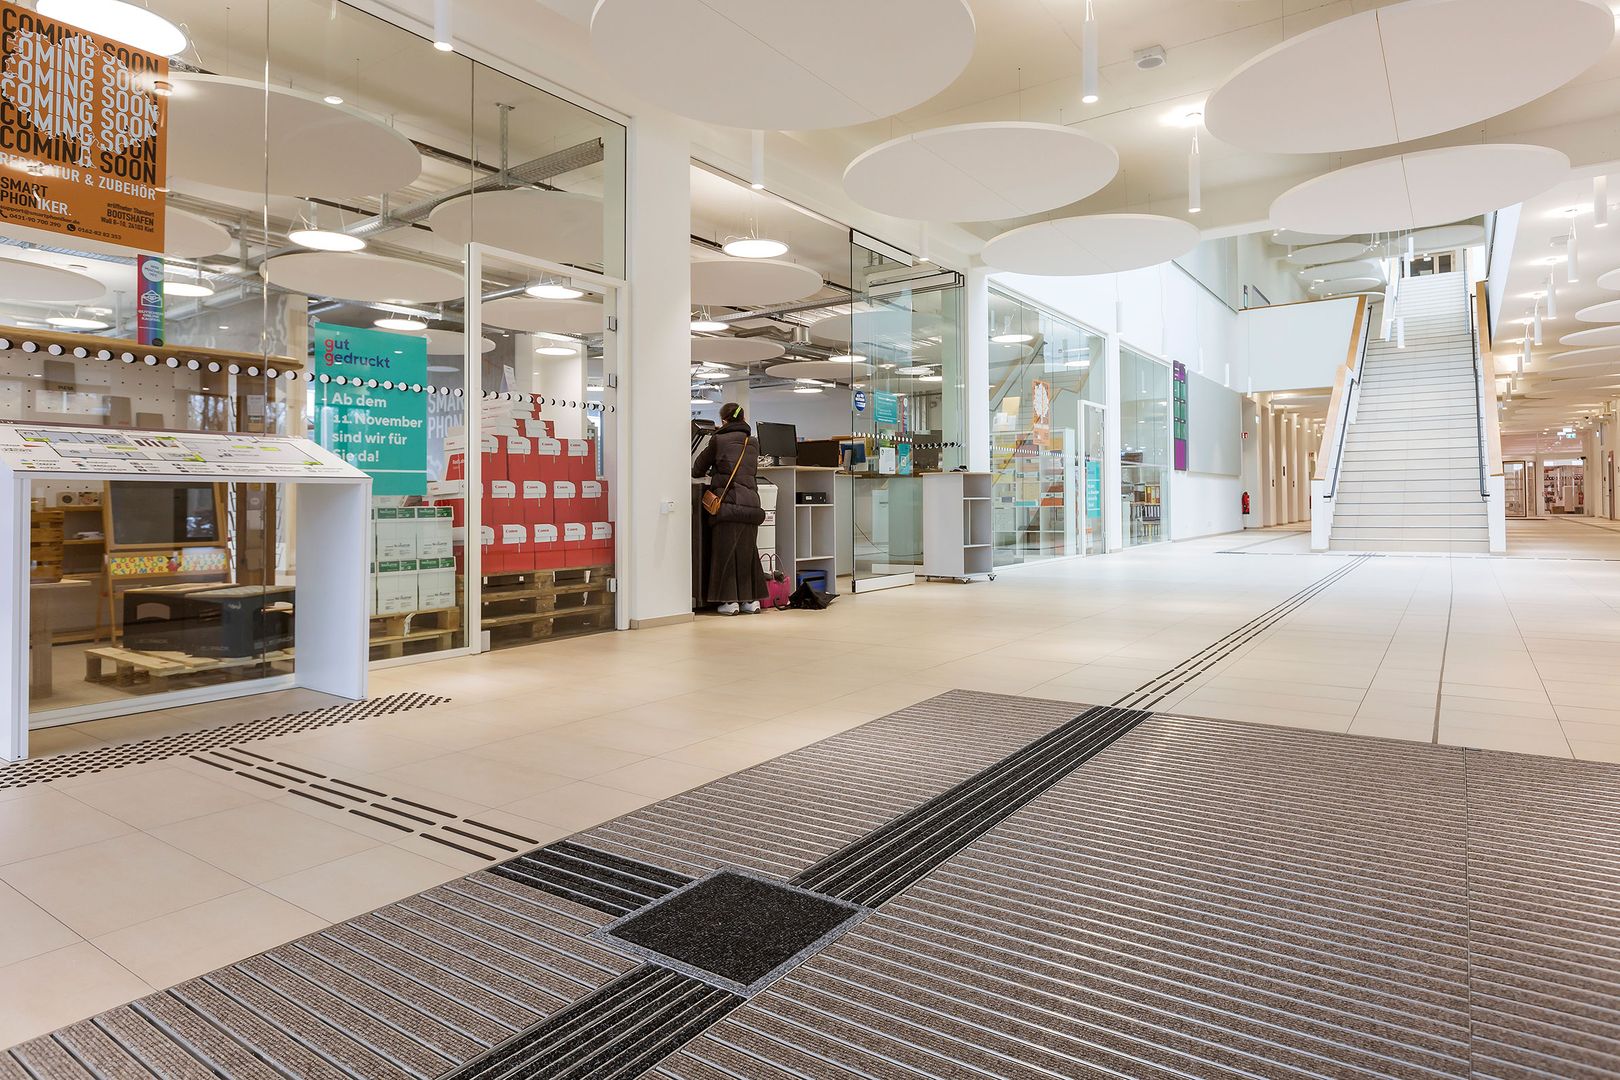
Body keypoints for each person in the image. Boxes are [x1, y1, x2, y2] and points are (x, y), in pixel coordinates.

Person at [693, 402, 769, 615]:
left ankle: (730, 602)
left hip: (728, 504)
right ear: (743, 419)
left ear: (724, 420)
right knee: (748, 554)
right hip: (751, 504)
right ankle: (750, 601)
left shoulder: (718, 440)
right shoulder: (752, 442)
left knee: (725, 553)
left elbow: (698, 468)